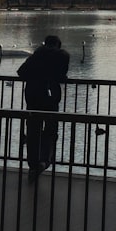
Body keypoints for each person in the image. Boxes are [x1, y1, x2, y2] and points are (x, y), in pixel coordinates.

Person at [17, 35, 70, 183]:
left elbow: (21, 72)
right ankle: (45, 160)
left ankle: (33, 164)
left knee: (33, 131)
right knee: (51, 130)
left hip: (33, 97)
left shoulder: (37, 55)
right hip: (51, 98)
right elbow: (62, 76)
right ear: (58, 45)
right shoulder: (63, 56)